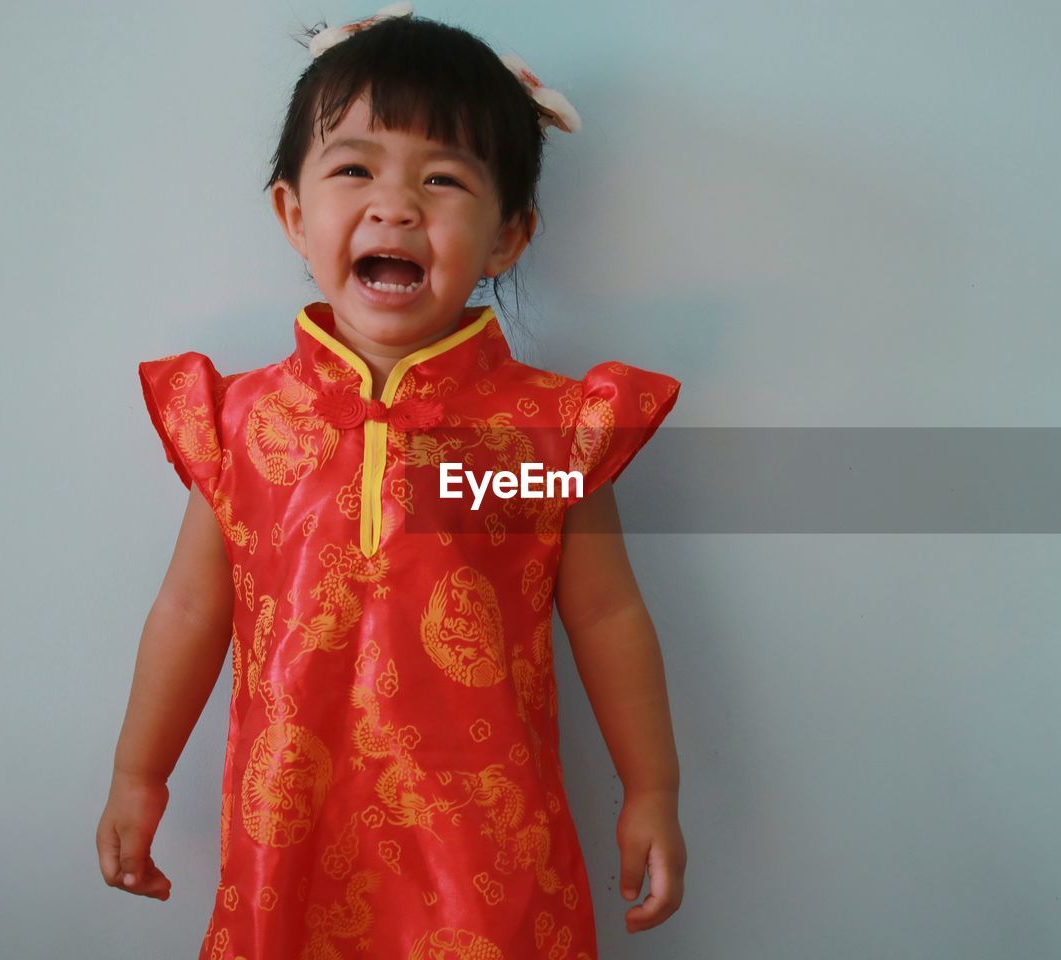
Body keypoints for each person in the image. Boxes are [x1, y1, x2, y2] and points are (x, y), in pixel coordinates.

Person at [94, 5, 686, 956]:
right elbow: (189, 611)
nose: (396, 205)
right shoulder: (240, 424)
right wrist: (138, 773)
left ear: (508, 237)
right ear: (294, 212)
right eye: (356, 168)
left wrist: (653, 790)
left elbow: (610, 617)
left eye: (444, 179)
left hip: (485, 849)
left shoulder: (545, 437)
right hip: (289, 835)